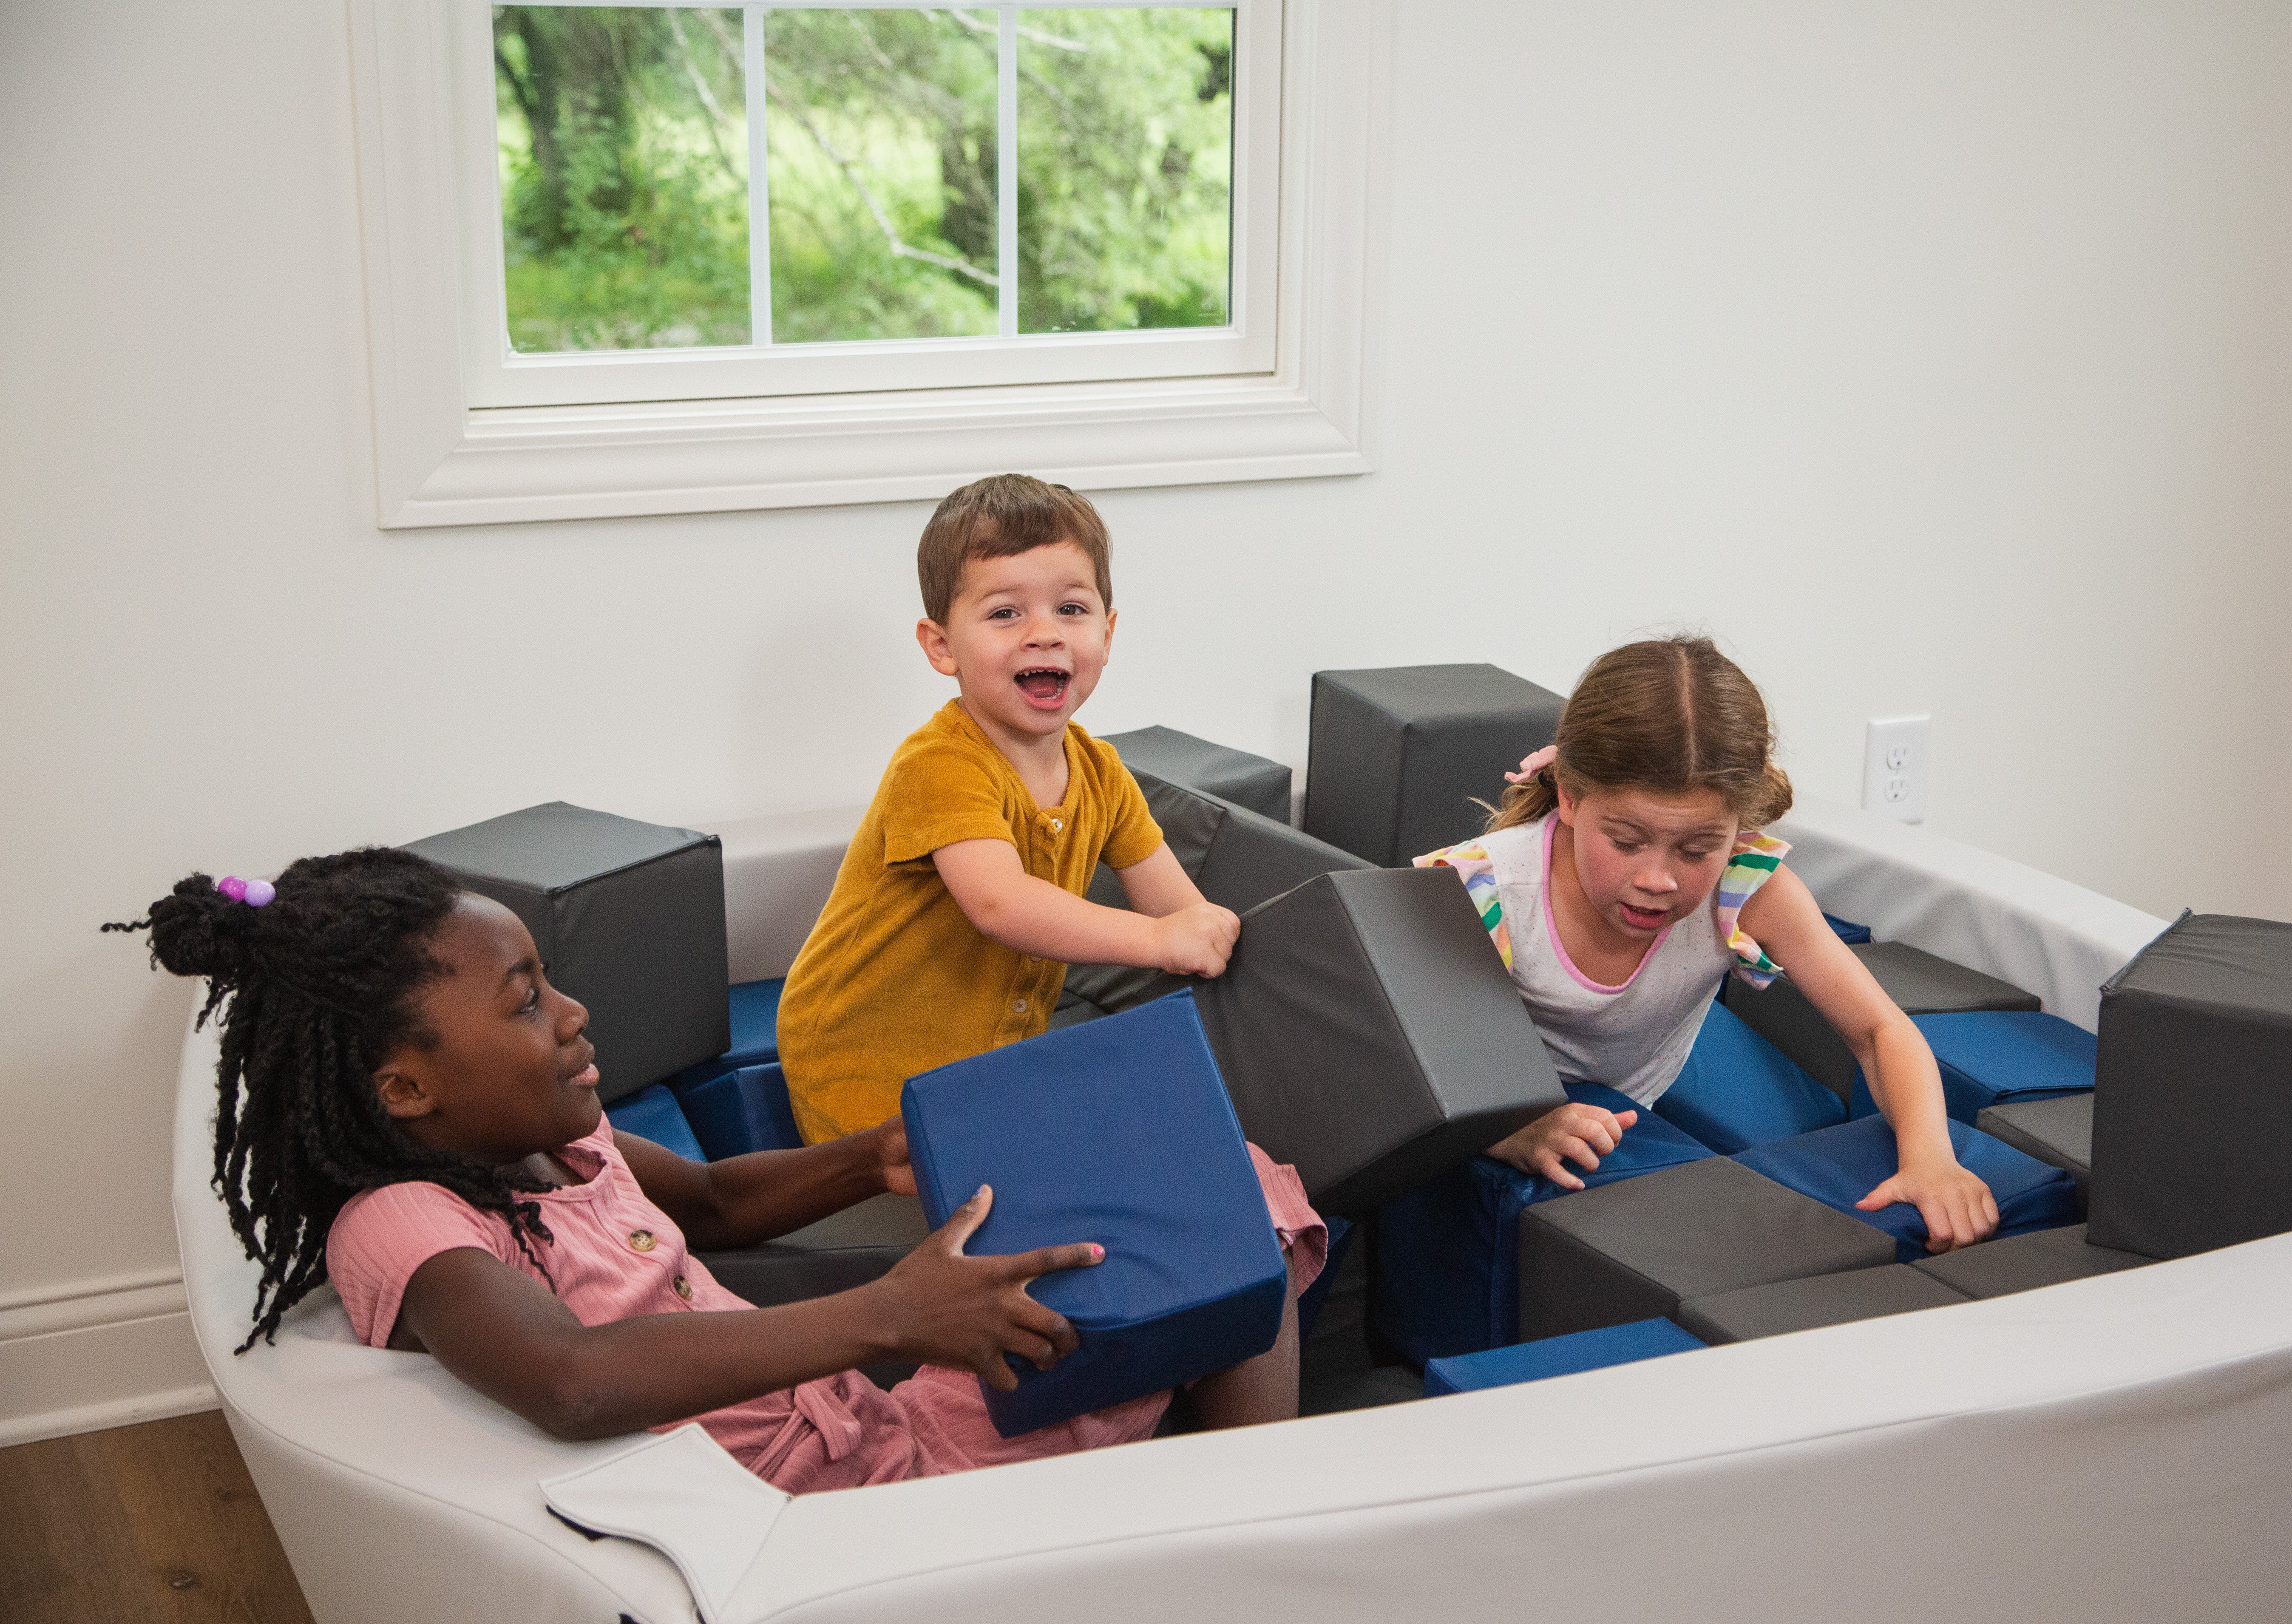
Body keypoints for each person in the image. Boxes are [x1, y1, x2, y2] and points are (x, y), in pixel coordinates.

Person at [109, 850, 1324, 1492]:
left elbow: (717, 1201)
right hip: (830, 1514)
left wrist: (874, 1160)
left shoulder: (558, 1150)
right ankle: (1219, 1524)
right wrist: (887, 1314)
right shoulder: (401, 1225)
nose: (577, 1016)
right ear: (406, 1091)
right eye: (530, 1003)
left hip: (881, 1427)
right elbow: (575, 1379)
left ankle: (1225, 1498)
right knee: (1204, 1243)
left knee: (1240, 1189)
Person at [1417, 636, 1999, 1252]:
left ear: (1738, 830)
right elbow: (1406, 1061)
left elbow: (1881, 1032)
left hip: (1658, 1062)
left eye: (1696, 850)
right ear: (1568, 795)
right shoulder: (1480, 893)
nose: (1657, 880)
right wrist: (1512, 1129)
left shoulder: (1748, 888)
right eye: (1626, 841)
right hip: (1518, 1080)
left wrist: (1932, 1159)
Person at [776, 473, 1241, 1142]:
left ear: (1108, 635)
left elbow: (1178, 907)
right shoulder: (939, 765)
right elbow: (1001, 904)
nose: (1043, 635)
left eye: (1071, 610)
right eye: (1004, 614)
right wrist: (1158, 943)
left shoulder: (1103, 774)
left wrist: (1207, 931)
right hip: (866, 1064)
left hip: (987, 1057)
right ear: (942, 646)